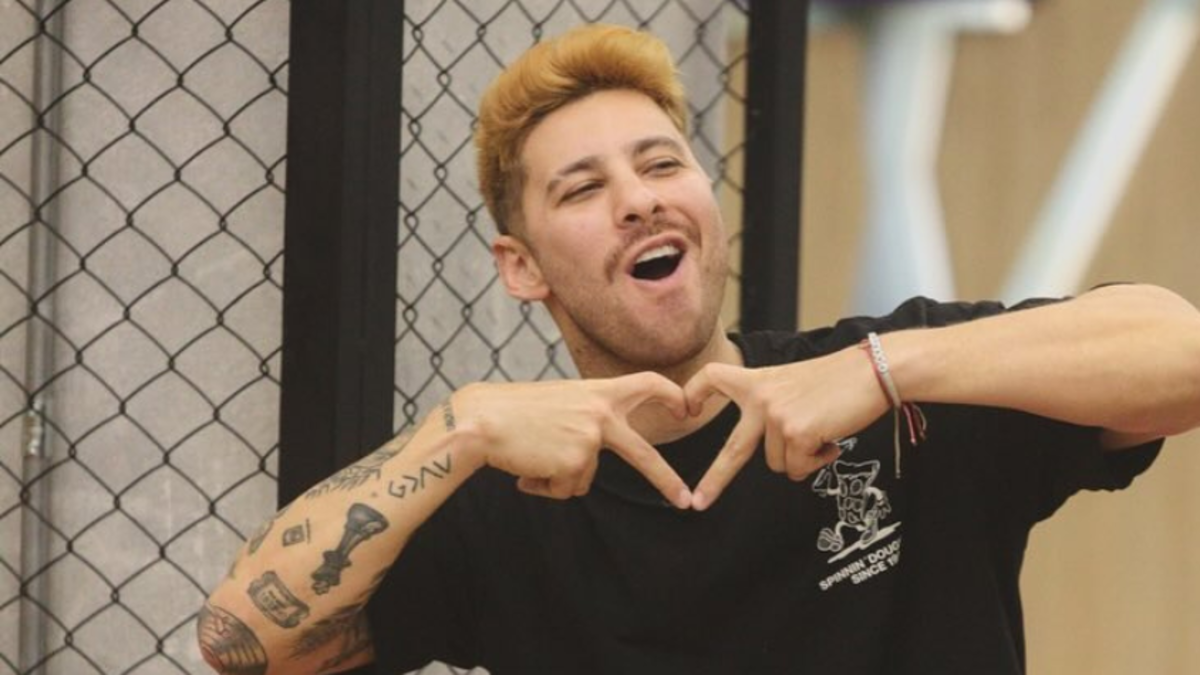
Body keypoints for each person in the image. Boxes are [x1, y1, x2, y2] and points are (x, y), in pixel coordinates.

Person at [197, 23, 1200, 675]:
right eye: (583, 189)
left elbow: (1181, 353)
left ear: (706, 208)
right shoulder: (501, 506)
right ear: (523, 266)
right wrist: (455, 430)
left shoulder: (896, 386)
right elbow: (244, 644)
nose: (637, 198)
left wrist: (886, 369)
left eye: (661, 164)